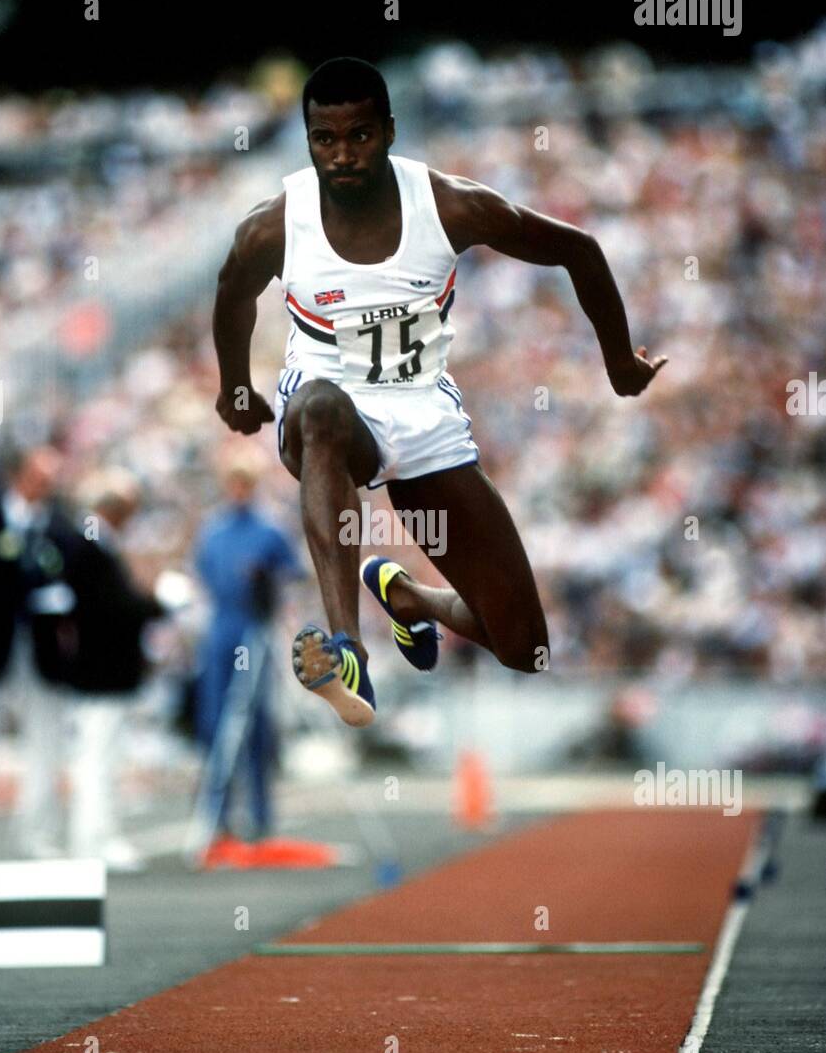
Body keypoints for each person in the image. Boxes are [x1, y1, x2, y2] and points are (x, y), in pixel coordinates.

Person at [212, 56, 667, 727]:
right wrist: (235, 389)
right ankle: (346, 651)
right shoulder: (275, 225)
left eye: (359, 135)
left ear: (389, 131)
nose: (341, 155)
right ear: (307, 141)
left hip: (423, 412)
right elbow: (231, 297)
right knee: (319, 410)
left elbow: (579, 251)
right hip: (330, 411)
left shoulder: (450, 206)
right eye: (324, 140)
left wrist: (618, 364)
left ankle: (411, 601)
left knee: (523, 646)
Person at [0, 444, 77, 869]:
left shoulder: (61, 527)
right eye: (38, 475)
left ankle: (37, 836)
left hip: (41, 651)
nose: (45, 485)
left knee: (45, 742)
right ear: (19, 476)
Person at [193, 453, 304, 863]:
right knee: (216, 723)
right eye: (233, 482)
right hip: (222, 631)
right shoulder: (213, 530)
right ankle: (218, 815)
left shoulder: (270, 530)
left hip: (254, 631)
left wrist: (267, 578)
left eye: (245, 482)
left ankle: (261, 814)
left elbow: (295, 571)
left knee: (257, 724)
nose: (238, 490)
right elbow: (204, 575)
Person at [60, 468, 168, 871]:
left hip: (102, 671)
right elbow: (109, 609)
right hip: (99, 671)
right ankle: (92, 839)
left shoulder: (94, 544)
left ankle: (95, 836)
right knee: (96, 758)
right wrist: (156, 605)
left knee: (98, 757)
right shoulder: (89, 545)